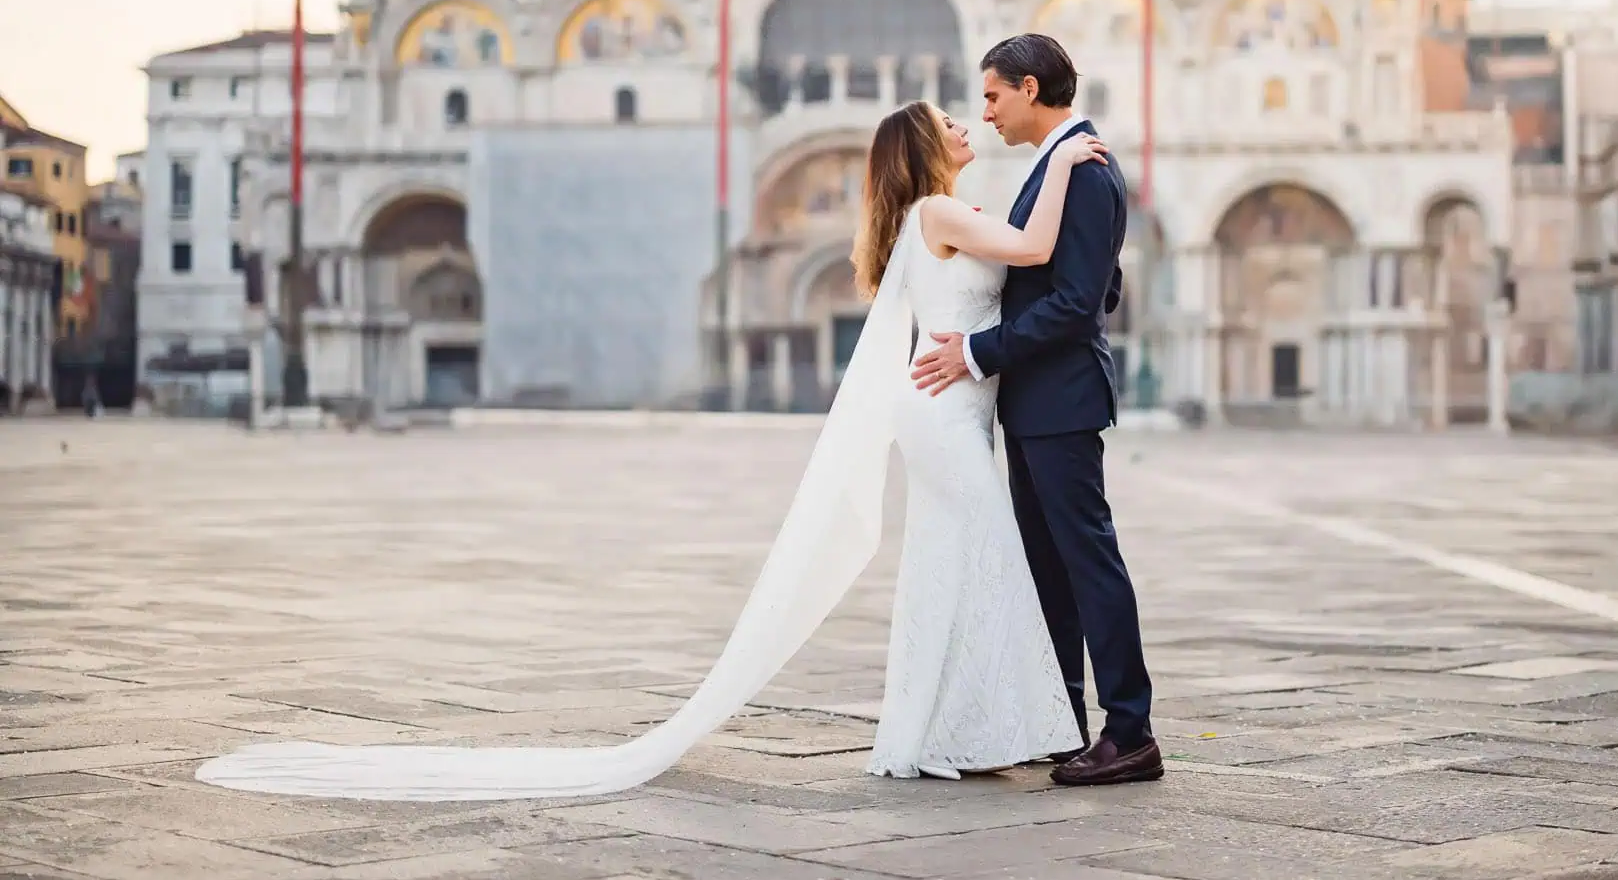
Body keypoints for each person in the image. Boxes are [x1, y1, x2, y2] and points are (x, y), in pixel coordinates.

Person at [193, 92, 1113, 800]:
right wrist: (1071, 152)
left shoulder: (926, 218)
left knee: (957, 561)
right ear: (923, 147)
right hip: (948, 408)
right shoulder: (942, 215)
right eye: (952, 121)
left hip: (948, 403)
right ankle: (970, 729)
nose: (968, 124)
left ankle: (945, 729)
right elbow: (1034, 249)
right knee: (982, 556)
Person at [911, 32, 1161, 787]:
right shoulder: (1062, 165)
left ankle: (1131, 730)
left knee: (1088, 562)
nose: (985, 111)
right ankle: (1065, 721)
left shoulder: (1083, 169)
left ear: (1027, 87)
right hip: (1037, 400)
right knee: (1050, 569)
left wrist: (981, 350)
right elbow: (1099, 284)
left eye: (992, 95)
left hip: (1059, 399)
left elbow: (1078, 302)